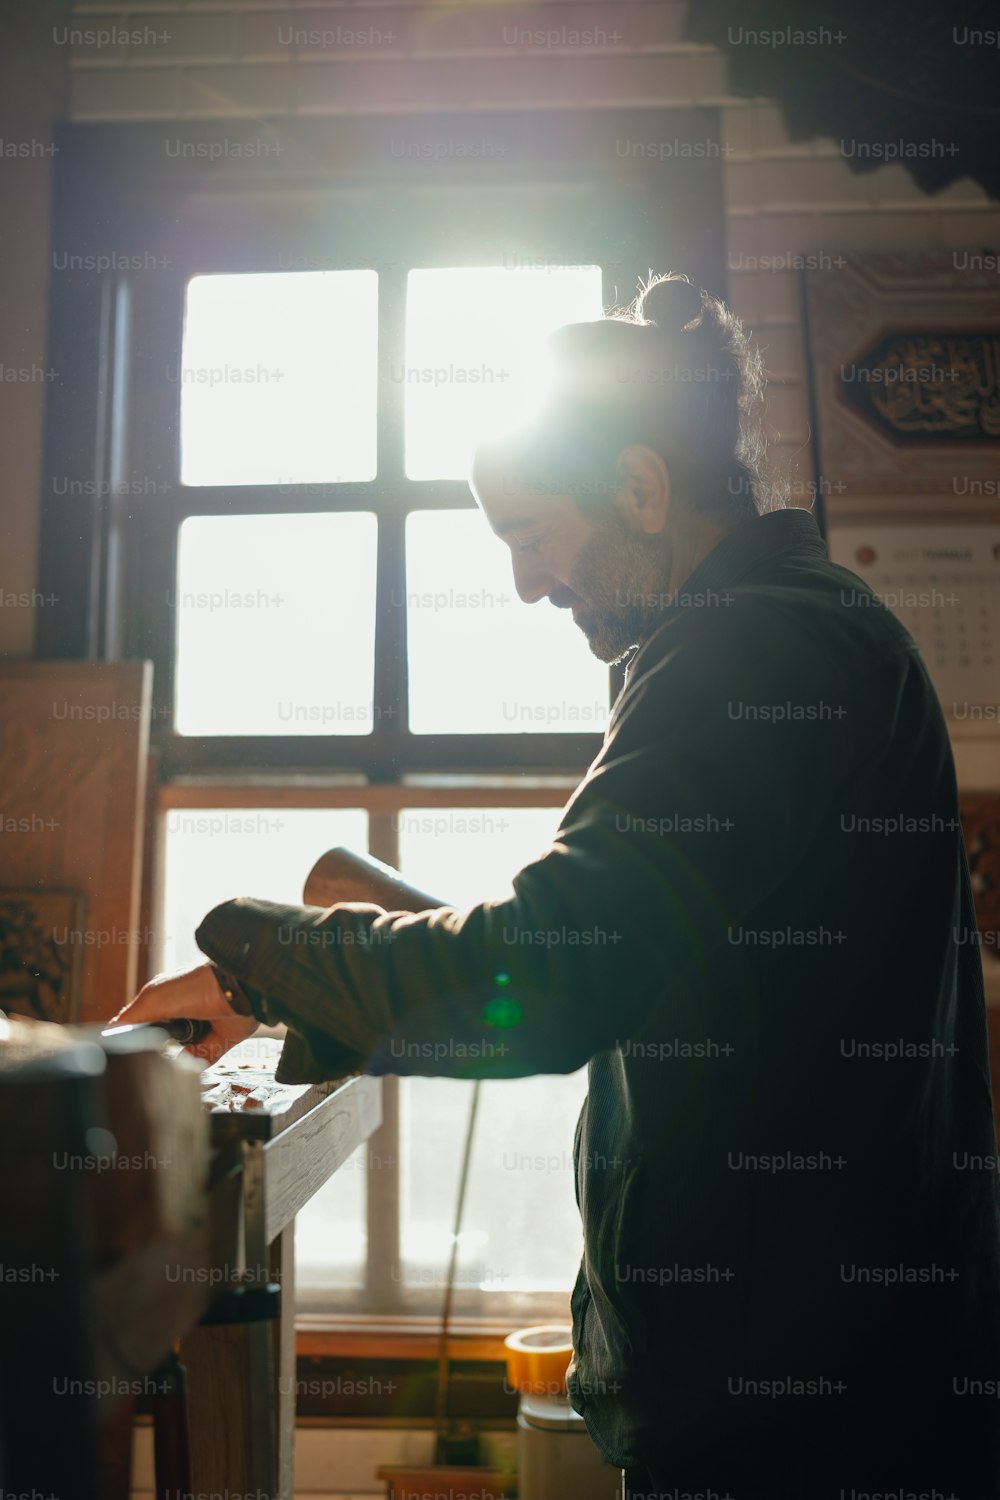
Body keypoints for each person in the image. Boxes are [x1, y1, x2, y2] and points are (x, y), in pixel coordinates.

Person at [113, 273, 1000, 1497]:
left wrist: (256, 963)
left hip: (800, 1404)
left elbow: (552, 970)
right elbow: (632, 945)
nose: (529, 584)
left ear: (639, 487)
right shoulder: (797, 627)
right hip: (824, 1368)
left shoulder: (750, 646)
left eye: (534, 535)